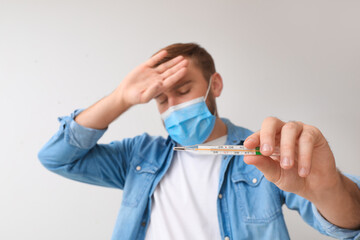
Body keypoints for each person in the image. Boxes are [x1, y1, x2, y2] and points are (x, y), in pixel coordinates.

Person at [38, 43, 360, 240]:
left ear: (214, 85)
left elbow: (350, 226)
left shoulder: (265, 153)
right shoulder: (138, 156)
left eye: (183, 89)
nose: (174, 106)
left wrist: (330, 187)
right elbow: (57, 157)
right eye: (162, 100)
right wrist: (121, 98)